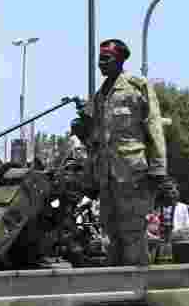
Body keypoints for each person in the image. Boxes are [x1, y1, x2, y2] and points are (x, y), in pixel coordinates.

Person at [71, 38, 169, 267]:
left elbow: (153, 125)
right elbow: (96, 141)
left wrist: (158, 168)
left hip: (132, 175)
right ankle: (118, 289)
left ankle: (139, 290)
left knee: (133, 234)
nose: (101, 64)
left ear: (120, 60)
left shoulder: (137, 86)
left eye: (107, 59)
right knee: (110, 236)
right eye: (99, 59)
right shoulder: (99, 96)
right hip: (106, 177)